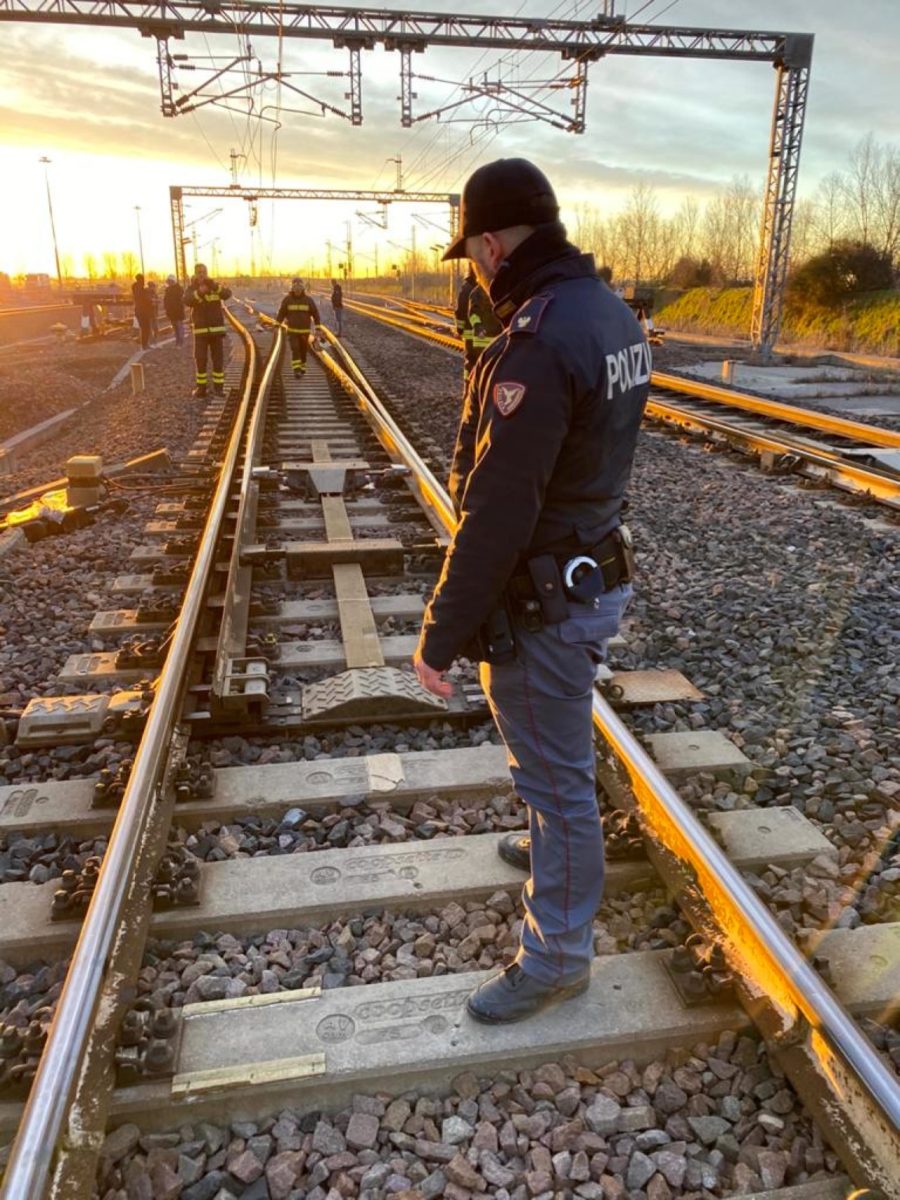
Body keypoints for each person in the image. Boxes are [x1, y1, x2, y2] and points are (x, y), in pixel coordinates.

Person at [413, 158, 650, 1024]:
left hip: (545, 597)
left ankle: (556, 959)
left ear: (489, 240)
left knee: (555, 778)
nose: (473, 270)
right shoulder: (607, 311)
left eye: (471, 253)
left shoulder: (539, 338)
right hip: (589, 570)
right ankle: (554, 848)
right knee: (555, 763)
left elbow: (499, 508)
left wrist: (441, 634)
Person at [183, 263, 232, 398]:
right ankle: (201, 389)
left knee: (218, 361)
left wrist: (215, 287)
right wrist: (199, 292)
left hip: (216, 332)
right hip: (200, 332)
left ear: (207, 272)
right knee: (201, 360)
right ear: (195, 273)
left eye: (203, 272)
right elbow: (187, 300)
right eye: (199, 272)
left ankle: (218, 389)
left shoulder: (214, 285)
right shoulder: (192, 288)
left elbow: (227, 294)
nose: (201, 274)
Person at [276, 278, 320, 376]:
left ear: (302, 288)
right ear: (292, 288)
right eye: (295, 287)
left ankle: (302, 367)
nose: (297, 289)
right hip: (292, 331)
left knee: (303, 349)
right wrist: (277, 324)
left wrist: (318, 328)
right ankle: (296, 369)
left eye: (299, 287)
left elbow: (315, 314)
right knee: (295, 348)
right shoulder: (287, 300)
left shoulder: (308, 300)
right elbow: (281, 312)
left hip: (305, 331)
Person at [464, 281, 502, 383]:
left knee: (486, 369)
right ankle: (473, 388)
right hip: (484, 339)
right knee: (481, 368)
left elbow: (473, 314)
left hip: (489, 338)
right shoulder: (478, 293)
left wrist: (477, 326)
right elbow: (473, 313)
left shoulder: (476, 293)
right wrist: (478, 326)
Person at [455, 265, 477, 358]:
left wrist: (459, 329)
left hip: (470, 334)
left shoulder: (466, 289)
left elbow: (460, 311)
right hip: (491, 335)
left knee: (471, 362)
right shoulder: (489, 285)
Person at [131, 273, 153, 350]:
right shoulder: (141, 290)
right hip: (144, 311)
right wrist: (151, 301)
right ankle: (145, 345)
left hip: (138, 310)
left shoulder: (135, 288)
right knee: (146, 328)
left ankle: (144, 344)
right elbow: (146, 300)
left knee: (143, 328)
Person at [164, 274, 186, 347]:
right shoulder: (168, 290)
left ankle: (180, 342)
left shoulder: (179, 289)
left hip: (178, 312)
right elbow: (166, 301)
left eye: (170, 281)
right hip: (171, 312)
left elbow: (181, 300)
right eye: (169, 281)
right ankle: (177, 342)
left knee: (179, 327)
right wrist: (167, 310)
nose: (169, 282)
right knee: (175, 328)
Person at [146, 280, 159, 344]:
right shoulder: (146, 293)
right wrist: (152, 301)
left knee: (156, 328)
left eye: (154, 286)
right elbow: (147, 301)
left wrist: (155, 301)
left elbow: (158, 301)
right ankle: (152, 341)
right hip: (149, 313)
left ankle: (155, 340)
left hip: (154, 313)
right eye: (152, 286)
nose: (154, 288)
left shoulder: (155, 293)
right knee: (150, 328)